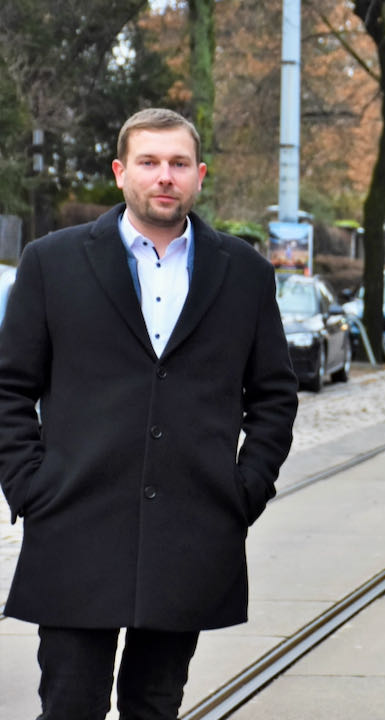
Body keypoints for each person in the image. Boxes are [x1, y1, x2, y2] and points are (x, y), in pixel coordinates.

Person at [0, 108, 298, 719]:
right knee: (69, 705)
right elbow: (8, 387)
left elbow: (273, 395)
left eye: (178, 164)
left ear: (199, 176)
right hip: (74, 524)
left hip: (190, 529)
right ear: (120, 172)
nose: (165, 176)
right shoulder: (51, 262)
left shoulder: (243, 272)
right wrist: (30, 485)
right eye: (149, 162)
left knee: (156, 706)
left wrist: (244, 491)